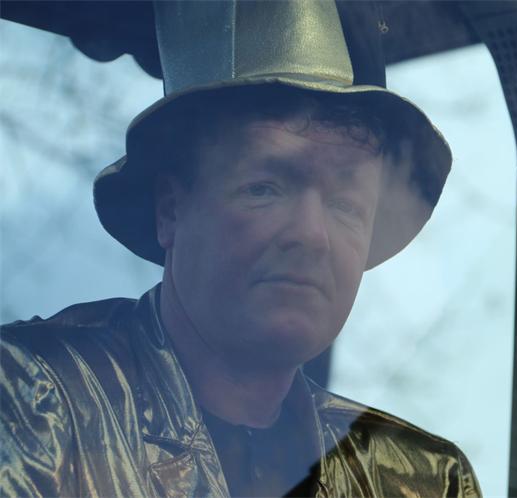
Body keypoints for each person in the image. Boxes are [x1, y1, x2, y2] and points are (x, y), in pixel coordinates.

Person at [0, 2, 481, 497]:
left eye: (346, 205)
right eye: (264, 188)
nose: (312, 235)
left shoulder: (420, 481)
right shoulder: (32, 399)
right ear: (170, 209)